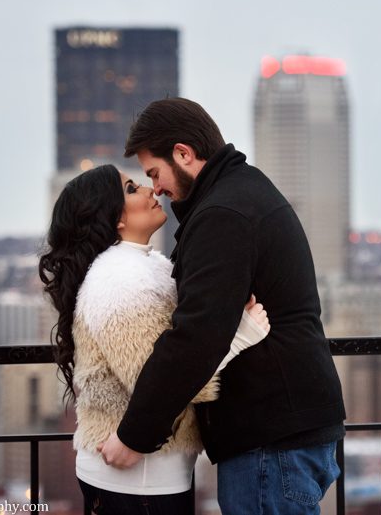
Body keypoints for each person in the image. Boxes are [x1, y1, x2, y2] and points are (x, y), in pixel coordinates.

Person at [98, 97, 346, 514]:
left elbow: (195, 337)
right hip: (287, 430)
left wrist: (133, 437)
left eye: (155, 173)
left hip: (269, 438)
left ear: (184, 154)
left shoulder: (223, 214)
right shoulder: (237, 193)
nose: (156, 187)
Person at [39, 164, 270, 515]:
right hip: (134, 482)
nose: (150, 190)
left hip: (149, 476)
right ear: (114, 217)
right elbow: (158, 379)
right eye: (132, 188)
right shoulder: (120, 281)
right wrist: (240, 337)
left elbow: (183, 348)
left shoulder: (149, 269)